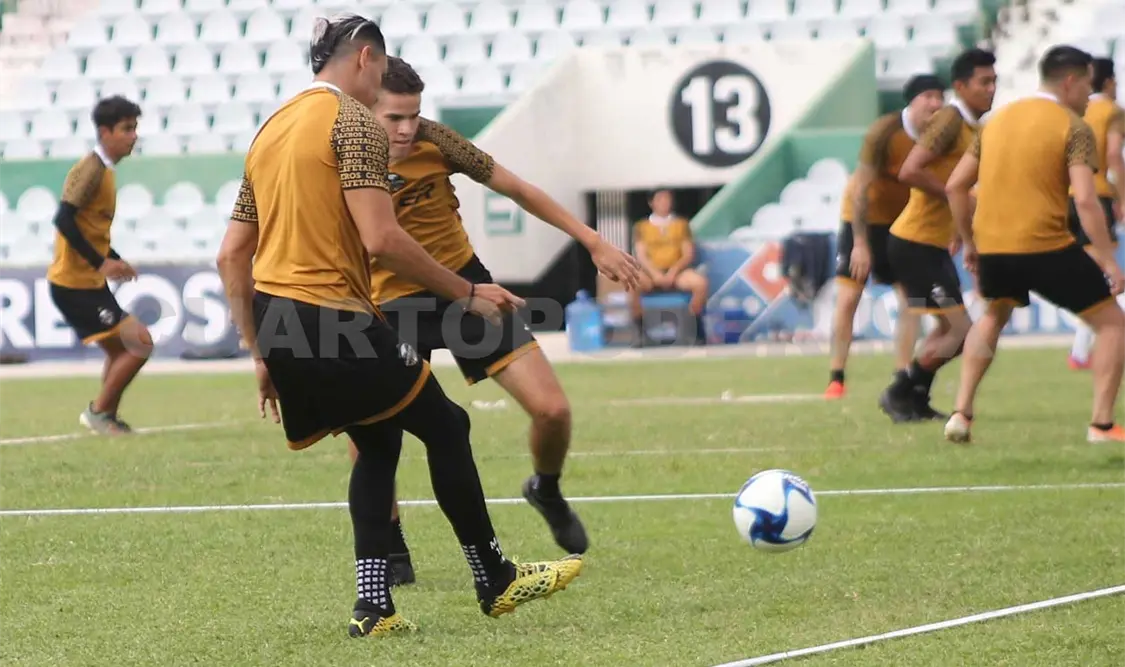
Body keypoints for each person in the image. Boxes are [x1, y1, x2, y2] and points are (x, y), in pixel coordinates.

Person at [215, 15, 583, 638]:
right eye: (382, 70)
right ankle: (493, 576)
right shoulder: (353, 121)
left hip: (280, 321)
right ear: (365, 58)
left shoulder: (271, 129)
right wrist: (467, 292)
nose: (384, 85)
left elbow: (231, 254)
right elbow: (382, 239)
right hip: (337, 315)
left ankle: (375, 605)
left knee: (381, 442)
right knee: (447, 425)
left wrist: (259, 354)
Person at [348, 56, 642, 587]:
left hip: (467, 286)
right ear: (366, 109)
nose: (408, 128)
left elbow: (518, 188)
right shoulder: (341, 158)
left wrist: (594, 240)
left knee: (552, 410)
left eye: (414, 114)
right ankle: (389, 539)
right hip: (386, 303)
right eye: (395, 118)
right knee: (371, 430)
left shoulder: (440, 142)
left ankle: (545, 488)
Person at [943, 45, 1125, 444]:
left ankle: (961, 413)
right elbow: (1085, 197)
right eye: (1087, 89)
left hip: (993, 246)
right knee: (1112, 324)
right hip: (1045, 245)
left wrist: (970, 242)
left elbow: (955, 185)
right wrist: (1110, 261)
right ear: (1070, 81)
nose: (1090, 99)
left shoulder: (995, 121)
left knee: (993, 316)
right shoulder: (1073, 126)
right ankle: (1102, 424)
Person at [878, 48, 997, 423]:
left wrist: (958, 230)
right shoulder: (949, 119)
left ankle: (913, 399)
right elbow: (911, 170)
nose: (991, 89)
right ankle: (900, 390)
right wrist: (952, 191)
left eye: (994, 81)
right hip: (913, 244)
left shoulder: (971, 128)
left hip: (929, 244)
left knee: (951, 329)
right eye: (984, 82)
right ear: (961, 86)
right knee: (961, 331)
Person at [825, 75, 946, 399]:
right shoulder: (884, 132)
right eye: (928, 96)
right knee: (849, 298)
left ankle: (902, 372)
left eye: (940, 96)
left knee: (912, 300)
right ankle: (836, 376)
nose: (936, 103)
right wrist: (861, 245)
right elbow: (861, 189)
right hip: (862, 219)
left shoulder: (942, 136)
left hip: (902, 224)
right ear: (912, 102)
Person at [47, 95, 152, 435]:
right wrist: (100, 263)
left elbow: (91, 229)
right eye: (126, 129)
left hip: (88, 282)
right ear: (105, 132)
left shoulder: (105, 171)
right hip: (74, 284)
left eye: (134, 128)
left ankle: (106, 418)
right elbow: (64, 218)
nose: (133, 135)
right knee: (139, 343)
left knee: (124, 348)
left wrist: (115, 260)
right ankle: (99, 413)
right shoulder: (91, 169)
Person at [1068, 57, 1125, 370]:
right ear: (1108, 82)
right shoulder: (1112, 112)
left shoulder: (1078, 111)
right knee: (1105, 277)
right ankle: (1081, 352)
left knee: (1093, 278)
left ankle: (1081, 351)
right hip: (1097, 195)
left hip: (1067, 197)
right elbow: (1114, 153)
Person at [629, 189, 709, 347]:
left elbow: (687, 254)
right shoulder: (641, 227)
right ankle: (640, 331)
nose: (665, 203)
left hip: (677, 272)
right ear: (651, 203)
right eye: (660, 199)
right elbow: (641, 255)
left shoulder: (681, 225)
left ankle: (696, 330)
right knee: (631, 284)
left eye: (667, 199)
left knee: (700, 284)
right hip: (651, 273)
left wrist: (673, 272)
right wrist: (655, 274)